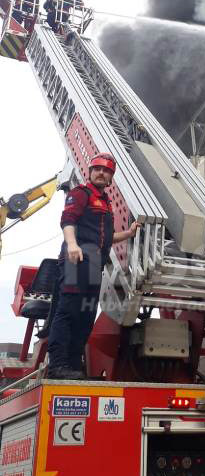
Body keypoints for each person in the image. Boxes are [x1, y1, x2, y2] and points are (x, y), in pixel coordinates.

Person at [47, 153, 138, 379]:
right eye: (97, 168)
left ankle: (74, 366)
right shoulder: (81, 194)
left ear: (110, 178)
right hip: (75, 262)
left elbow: (106, 237)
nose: (100, 172)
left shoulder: (106, 203)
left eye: (106, 170)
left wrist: (128, 233)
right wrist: (71, 245)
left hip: (94, 266)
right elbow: (67, 220)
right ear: (90, 171)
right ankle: (57, 366)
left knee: (86, 315)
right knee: (68, 311)